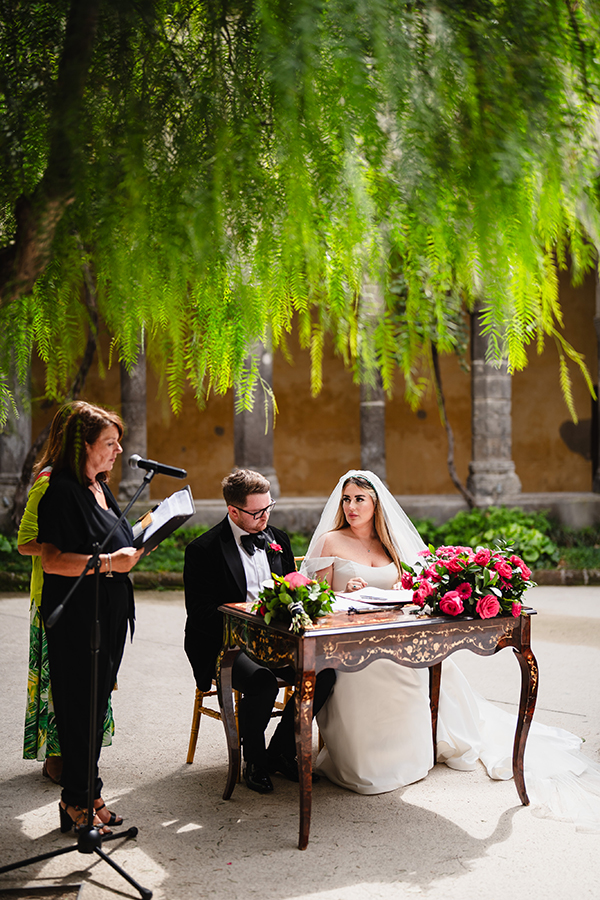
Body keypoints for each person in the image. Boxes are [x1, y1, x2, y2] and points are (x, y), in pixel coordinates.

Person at [301, 469, 600, 830]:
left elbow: (412, 594)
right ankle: (360, 762)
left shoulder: (390, 544)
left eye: (359, 499)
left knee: (412, 669)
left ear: (375, 503)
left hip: (396, 635)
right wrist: (345, 591)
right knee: (368, 678)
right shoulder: (330, 541)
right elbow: (315, 601)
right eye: (346, 499)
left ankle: (412, 757)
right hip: (352, 641)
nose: (351, 506)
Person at [184, 468, 336, 794]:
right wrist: (246, 619)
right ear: (233, 511)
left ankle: (280, 751)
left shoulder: (277, 539)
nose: (264, 517)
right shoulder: (203, 550)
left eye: (269, 508)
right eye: (256, 512)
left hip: (276, 640)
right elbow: (199, 615)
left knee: (324, 673)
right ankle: (253, 760)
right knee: (261, 683)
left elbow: (295, 588)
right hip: (224, 644)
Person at [37, 402, 143, 834]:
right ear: (83, 446)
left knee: (95, 708)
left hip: (108, 615)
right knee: (79, 709)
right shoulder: (61, 490)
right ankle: (74, 803)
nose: (118, 451)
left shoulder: (98, 484)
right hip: (80, 618)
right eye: (110, 443)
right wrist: (108, 563)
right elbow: (52, 560)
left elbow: (111, 539)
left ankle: (90, 793)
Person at [18, 403, 115, 785]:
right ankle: (56, 756)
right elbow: (26, 542)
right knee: (60, 685)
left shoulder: (95, 483)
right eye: (106, 442)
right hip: (57, 598)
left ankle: (82, 753)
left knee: (90, 686)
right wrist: (77, 552)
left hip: (92, 597)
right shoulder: (48, 484)